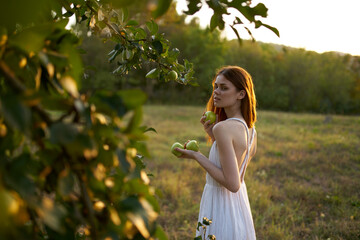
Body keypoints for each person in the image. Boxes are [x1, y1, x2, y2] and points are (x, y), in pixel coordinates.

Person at [174, 66, 257, 239]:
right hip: (238, 207)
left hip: (220, 204)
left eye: (224, 88)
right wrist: (213, 135)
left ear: (241, 94)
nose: (216, 92)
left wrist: (196, 155)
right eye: (216, 87)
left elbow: (233, 183)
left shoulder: (224, 128)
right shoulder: (251, 130)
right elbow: (237, 171)